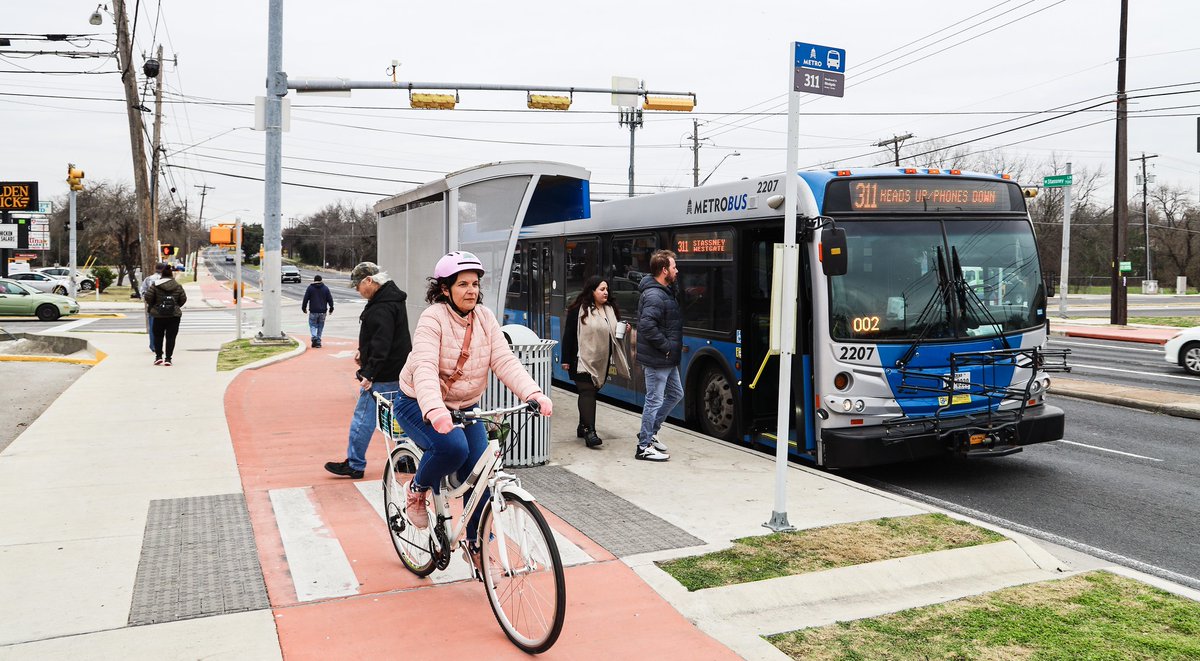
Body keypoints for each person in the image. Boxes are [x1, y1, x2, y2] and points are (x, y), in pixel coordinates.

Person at [393, 251, 554, 550]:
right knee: (453, 448)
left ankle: (476, 545)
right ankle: (416, 490)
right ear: (445, 289)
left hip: (465, 405)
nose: (471, 291)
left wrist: (532, 393)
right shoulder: (433, 318)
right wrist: (434, 410)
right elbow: (424, 367)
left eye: (475, 284)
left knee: (480, 471)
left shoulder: (485, 318)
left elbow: (504, 360)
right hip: (418, 402)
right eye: (463, 284)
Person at [324, 262, 412, 479]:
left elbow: (382, 343)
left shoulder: (382, 306)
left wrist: (369, 373)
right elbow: (384, 339)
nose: (357, 290)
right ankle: (407, 459)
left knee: (363, 417)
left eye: (358, 286)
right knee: (401, 417)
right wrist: (363, 352)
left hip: (382, 373)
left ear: (369, 281)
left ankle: (355, 464)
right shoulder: (392, 300)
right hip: (399, 369)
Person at [561, 275, 628, 448]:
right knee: (587, 392)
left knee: (590, 393)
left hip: (601, 360)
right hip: (580, 358)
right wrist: (565, 359)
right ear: (592, 291)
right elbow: (568, 334)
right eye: (601, 289)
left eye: (607, 289)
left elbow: (613, 332)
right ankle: (590, 431)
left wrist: (623, 329)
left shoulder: (610, 310)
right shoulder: (578, 309)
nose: (606, 292)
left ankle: (582, 425)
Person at [634, 250, 682, 462]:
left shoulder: (663, 291)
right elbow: (646, 325)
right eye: (673, 267)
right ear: (664, 270)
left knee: (675, 394)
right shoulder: (654, 295)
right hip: (658, 358)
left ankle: (651, 433)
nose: (676, 270)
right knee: (653, 400)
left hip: (666, 359)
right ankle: (643, 446)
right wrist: (666, 347)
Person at [143, 265, 187, 366]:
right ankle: (168, 358)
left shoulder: (155, 285)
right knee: (171, 337)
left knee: (158, 336)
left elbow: (148, 297)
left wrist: (154, 306)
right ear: (171, 274)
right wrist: (175, 306)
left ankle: (158, 357)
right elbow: (183, 299)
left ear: (162, 275)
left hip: (158, 315)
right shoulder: (177, 286)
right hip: (174, 315)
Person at [301, 274, 334, 348]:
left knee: (312, 324)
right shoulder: (325, 288)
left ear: (314, 280)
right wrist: (331, 308)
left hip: (313, 310)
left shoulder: (310, 288)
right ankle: (318, 341)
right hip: (323, 311)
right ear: (321, 280)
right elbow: (330, 299)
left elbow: (305, 298)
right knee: (320, 326)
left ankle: (314, 337)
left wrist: (304, 308)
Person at [139, 262, 166, 352]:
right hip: (164, 307)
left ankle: (153, 345)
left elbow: (142, 291)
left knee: (153, 327)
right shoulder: (167, 280)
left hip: (152, 307)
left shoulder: (148, 279)